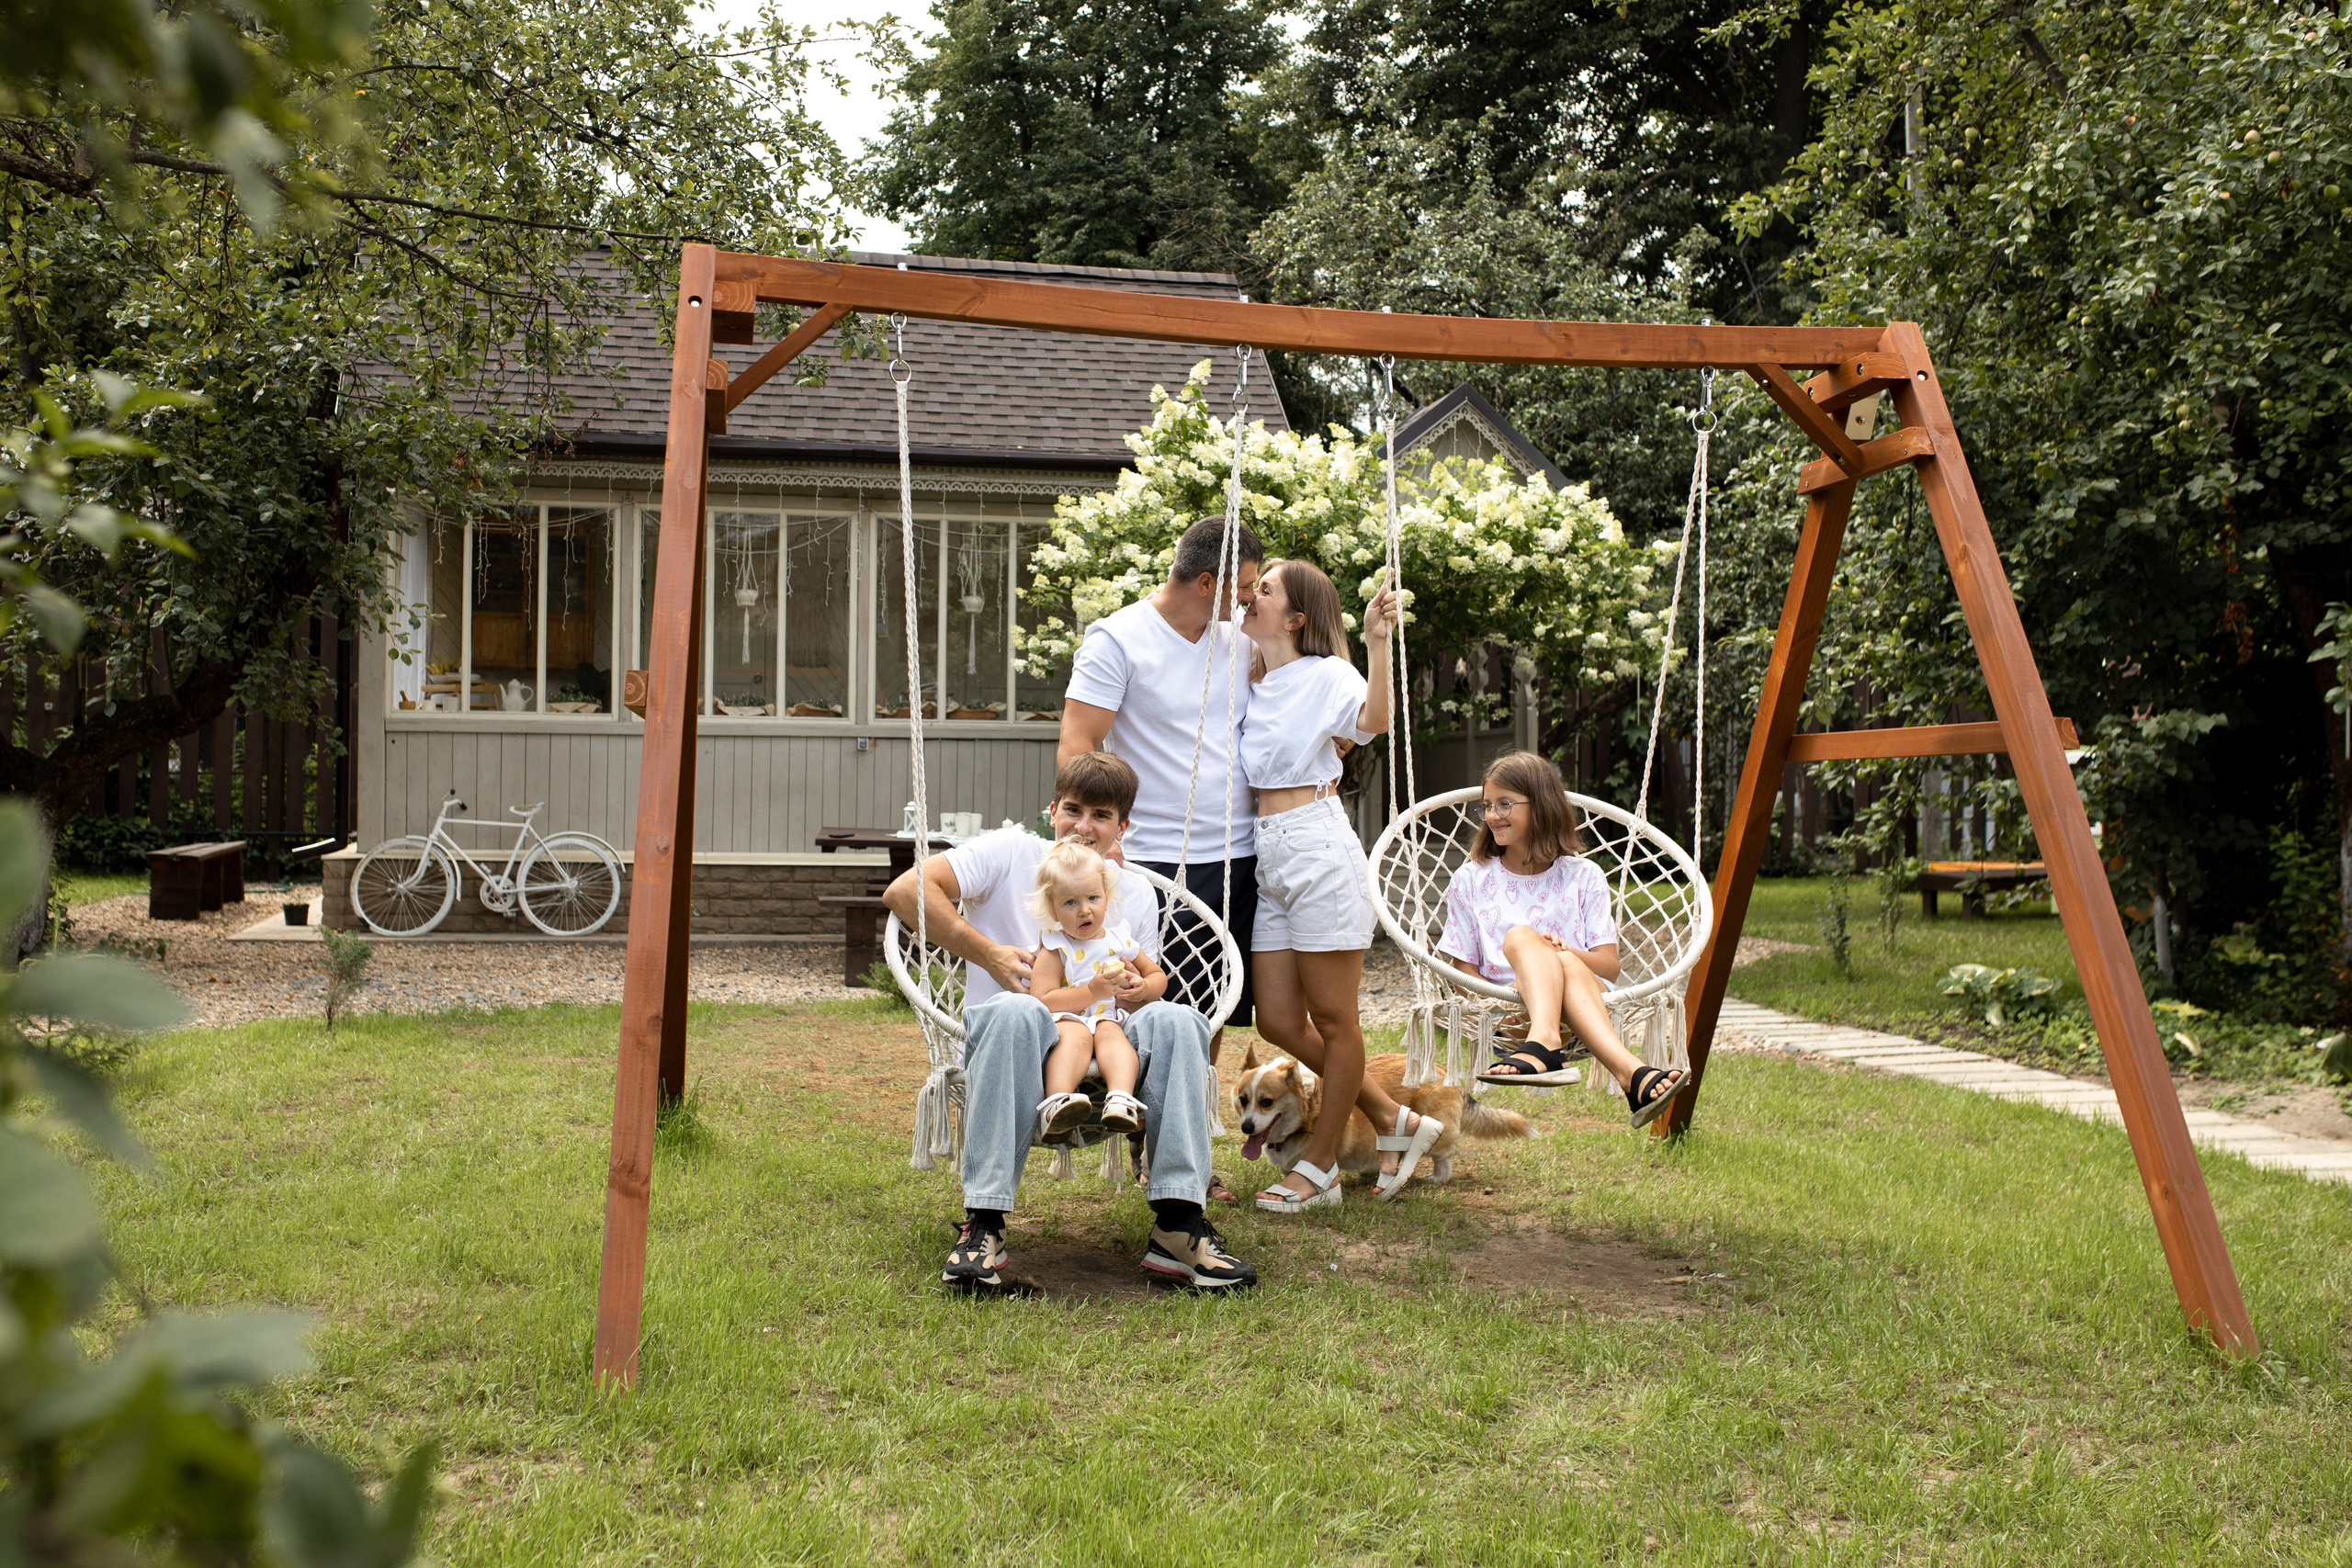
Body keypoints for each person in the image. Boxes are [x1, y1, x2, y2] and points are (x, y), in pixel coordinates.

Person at [880, 750, 1257, 1292]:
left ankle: (1179, 1227)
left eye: (1101, 816)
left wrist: (1136, 993)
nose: (1083, 827)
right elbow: (904, 892)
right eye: (1073, 810)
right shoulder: (1011, 853)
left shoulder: (1134, 894)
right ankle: (982, 1227)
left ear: (1123, 826)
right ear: (1051, 809)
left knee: (1176, 1019)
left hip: (1105, 1053)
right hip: (1015, 1048)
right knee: (1017, 1009)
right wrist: (989, 954)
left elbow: (1144, 994)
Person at [1060, 513, 1263, 1202]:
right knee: (1154, 1011)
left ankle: (1184, 1151)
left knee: (1207, 1019)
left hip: (1236, 856)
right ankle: (1160, 1146)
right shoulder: (1117, 639)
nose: (1249, 600)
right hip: (1152, 866)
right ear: (1206, 581)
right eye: (1241, 588)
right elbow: (1078, 747)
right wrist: (1092, 847)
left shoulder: (1240, 642)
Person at [1237, 558, 1448, 1210]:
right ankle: (1394, 1120)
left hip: (1317, 845)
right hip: (1266, 852)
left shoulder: (1326, 673)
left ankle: (1320, 1168)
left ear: (1296, 617)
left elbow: (1374, 719)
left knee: (1333, 1020)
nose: (1251, 594)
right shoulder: (1252, 678)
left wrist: (1377, 642)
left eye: (1264, 589)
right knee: (1275, 1016)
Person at [1442, 750, 1688, 1127]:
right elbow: (1462, 973)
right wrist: (1498, 1002)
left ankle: (1546, 1045)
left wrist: (1566, 952)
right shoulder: (1470, 880)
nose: (1492, 815)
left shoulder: (1583, 876)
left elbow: (1609, 967)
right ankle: (1633, 1074)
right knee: (1522, 936)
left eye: (1505, 804)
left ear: (1541, 806)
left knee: (1565, 959)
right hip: (1511, 1014)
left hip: (1583, 1011)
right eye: (1487, 805)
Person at [1027, 839, 1166, 1139]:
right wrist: (1092, 992)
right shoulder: (1056, 946)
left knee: (1114, 1038)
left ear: (1107, 896)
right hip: (1066, 1020)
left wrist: (1142, 988)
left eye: (1093, 898)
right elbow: (1042, 999)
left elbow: (1158, 977)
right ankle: (1057, 1103)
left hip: (1106, 1019)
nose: (1084, 911)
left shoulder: (1120, 940)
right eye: (1069, 903)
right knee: (1075, 1038)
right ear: (1052, 909)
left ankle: (1119, 1099)